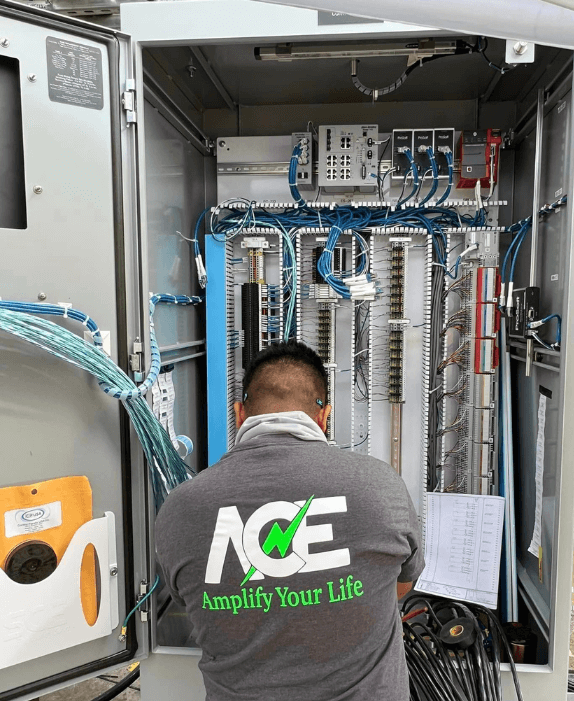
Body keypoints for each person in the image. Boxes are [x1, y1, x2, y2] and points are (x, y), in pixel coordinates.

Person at [155, 340, 424, 701]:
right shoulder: (381, 486)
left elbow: (192, 603)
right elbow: (401, 584)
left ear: (239, 415)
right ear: (324, 417)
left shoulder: (180, 509)